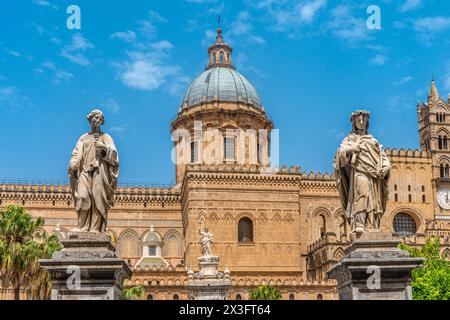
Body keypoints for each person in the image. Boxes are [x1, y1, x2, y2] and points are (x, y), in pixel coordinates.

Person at [334, 110, 391, 233]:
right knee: (362, 192)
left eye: (363, 120)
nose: (361, 122)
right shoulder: (350, 138)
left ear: (367, 122)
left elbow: (383, 157)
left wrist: (386, 167)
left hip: (375, 175)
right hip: (359, 171)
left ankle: (372, 225)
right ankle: (360, 223)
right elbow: (340, 153)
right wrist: (352, 148)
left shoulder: (372, 140)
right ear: (354, 122)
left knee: (373, 200)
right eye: (358, 120)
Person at [68, 109, 119, 233]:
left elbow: (115, 156)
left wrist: (104, 149)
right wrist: (73, 163)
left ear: (101, 121)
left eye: (98, 119)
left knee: (98, 200)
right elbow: (76, 153)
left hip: (99, 172)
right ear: (90, 120)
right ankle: (82, 227)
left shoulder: (106, 137)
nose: (95, 121)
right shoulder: (83, 138)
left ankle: (95, 229)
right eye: (93, 118)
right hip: (84, 172)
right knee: (82, 196)